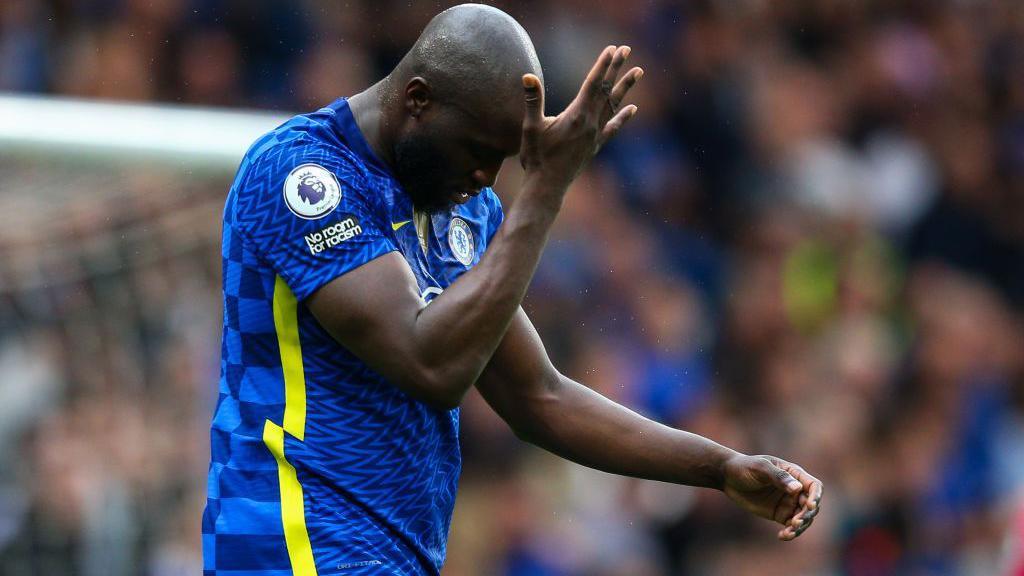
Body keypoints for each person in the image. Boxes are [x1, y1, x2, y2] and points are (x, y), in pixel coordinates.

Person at [202, 4, 822, 575]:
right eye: (477, 151)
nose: (484, 179)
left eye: (503, 161)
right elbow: (429, 362)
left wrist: (719, 467)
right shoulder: (301, 174)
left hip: (388, 553)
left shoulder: (464, 213)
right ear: (417, 99)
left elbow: (540, 396)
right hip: (289, 542)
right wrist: (547, 191)